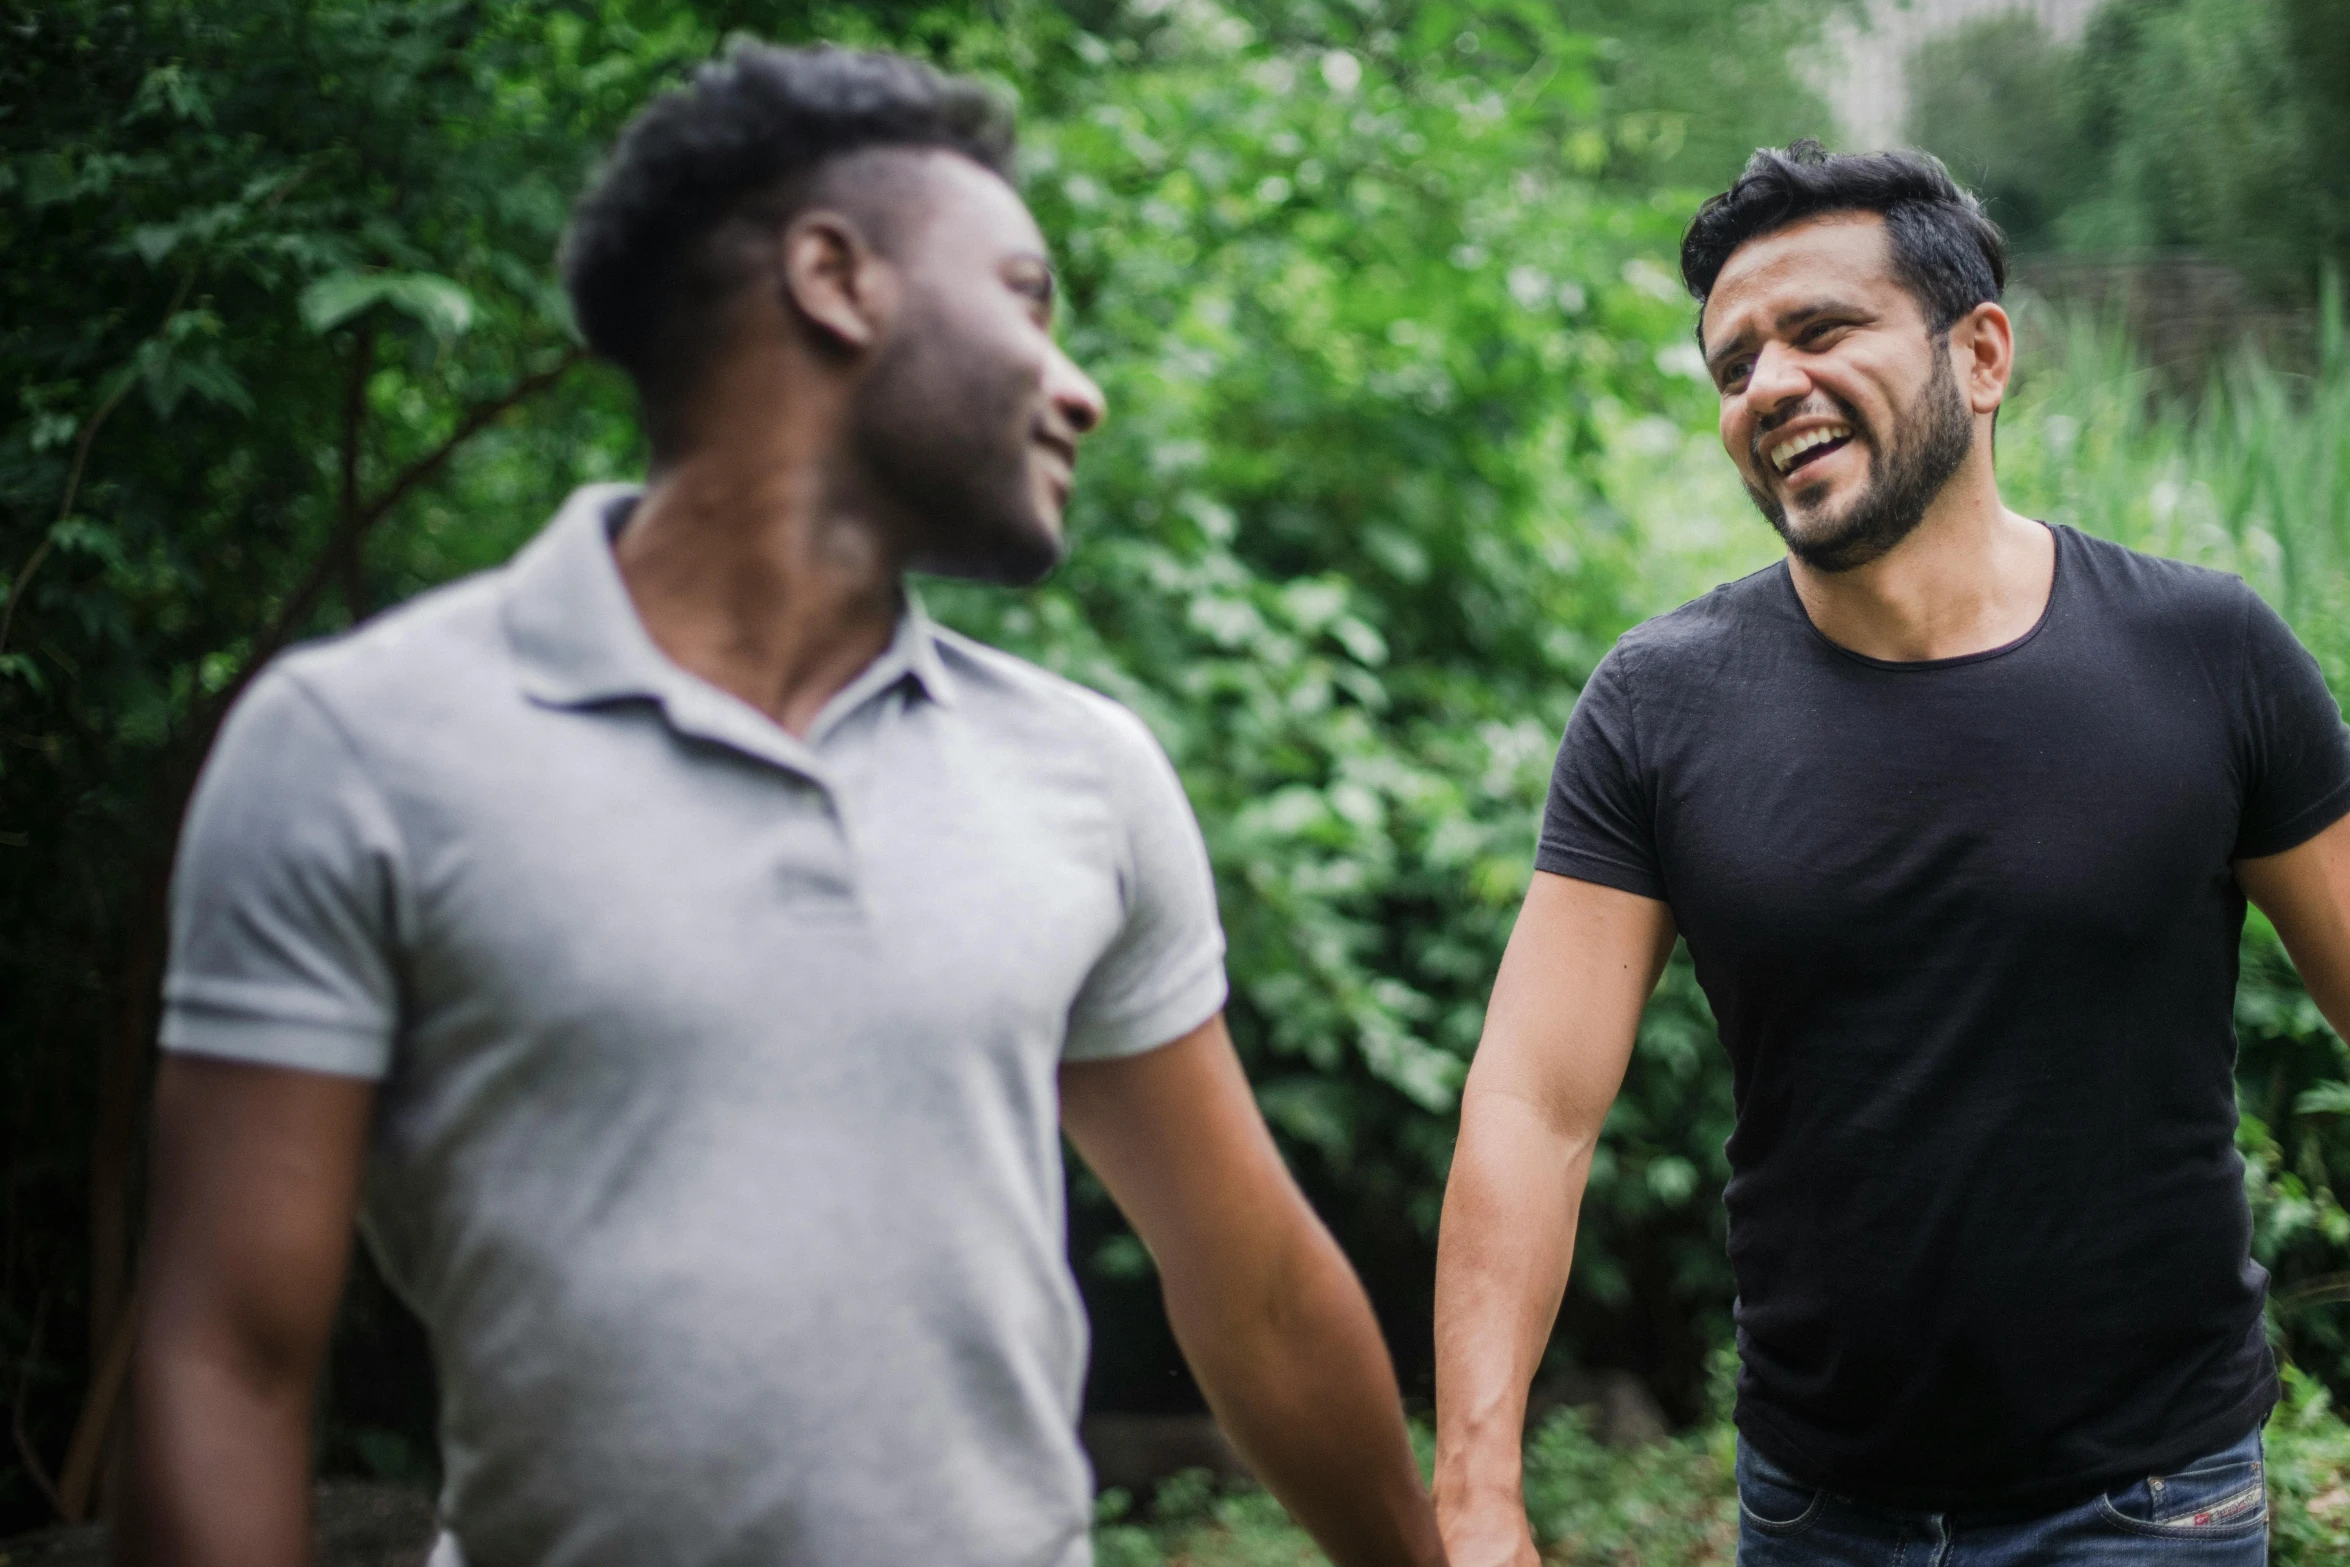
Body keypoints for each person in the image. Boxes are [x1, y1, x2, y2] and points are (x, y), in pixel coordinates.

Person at [123, 44, 1446, 1567]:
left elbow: (1257, 1288)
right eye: (1024, 297)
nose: (1077, 386)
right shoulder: (358, 747)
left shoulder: (1081, 771)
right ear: (836, 277)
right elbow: (225, 1353)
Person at [1432, 140, 2350, 1566]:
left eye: (1818, 329)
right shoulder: (1658, 704)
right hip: (1818, 1513)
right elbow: (1533, 1104)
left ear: (1979, 354)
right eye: (1732, 365)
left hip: (2151, 1503)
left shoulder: (2206, 655)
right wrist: (1477, 1487)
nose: (1767, 387)